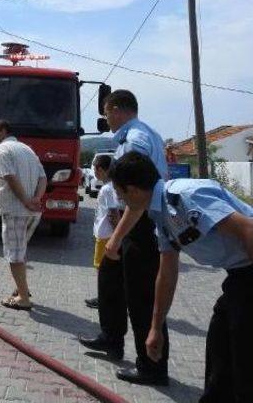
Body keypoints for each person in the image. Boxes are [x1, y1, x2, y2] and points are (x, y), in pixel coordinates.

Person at [109, 151, 253, 402]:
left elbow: (248, 229)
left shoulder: (184, 197)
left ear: (132, 190)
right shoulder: (162, 216)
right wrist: (156, 329)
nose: (120, 200)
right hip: (239, 275)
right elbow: (167, 271)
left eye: (119, 193)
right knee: (220, 348)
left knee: (243, 358)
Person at [79, 89, 170, 384]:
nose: (106, 119)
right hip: (133, 218)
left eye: (106, 113)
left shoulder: (135, 140)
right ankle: (111, 337)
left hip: (140, 221)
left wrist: (117, 236)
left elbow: (137, 195)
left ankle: (152, 367)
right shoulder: (139, 135)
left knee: (141, 295)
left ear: (117, 109)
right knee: (110, 279)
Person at [0, 120, 47, 310]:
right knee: (20, 250)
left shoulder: (3, 150)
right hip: (30, 212)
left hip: (15, 210)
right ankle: (22, 288)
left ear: (2, 131)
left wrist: (25, 201)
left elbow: (10, 177)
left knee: (14, 255)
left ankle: (23, 298)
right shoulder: (27, 149)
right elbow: (43, 177)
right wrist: (36, 198)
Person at [84, 154, 120, 309]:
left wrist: (116, 235)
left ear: (100, 169)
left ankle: (104, 299)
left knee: (101, 268)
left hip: (105, 234)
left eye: (95, 168)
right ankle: (108, 297)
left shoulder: (107, 188)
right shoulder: (111, 186)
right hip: (107, 234)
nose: (94, 172)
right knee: (108, 268)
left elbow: (113, 213)